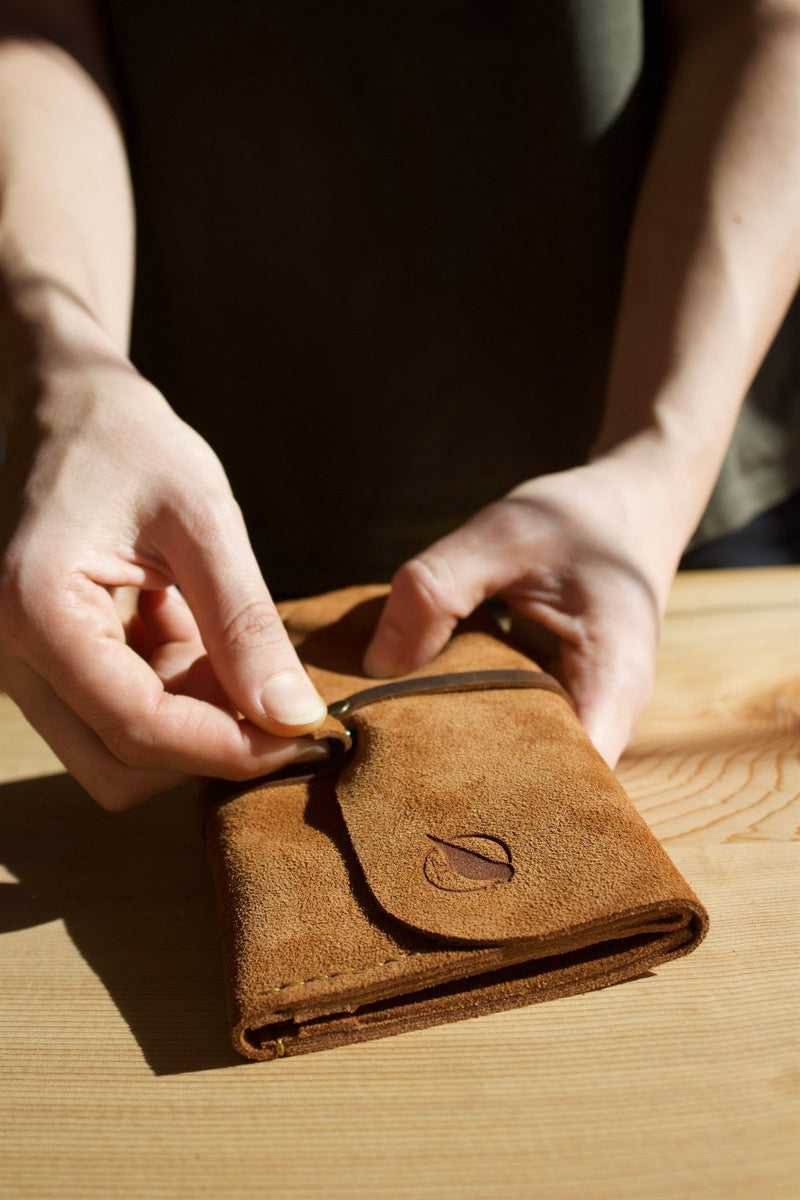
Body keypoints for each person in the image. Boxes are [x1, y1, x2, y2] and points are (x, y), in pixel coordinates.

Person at [1, 0, 799, 810]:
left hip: (664, 520)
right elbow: (33, 28)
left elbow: (773, 25)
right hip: (181, 553)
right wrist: (63, 368)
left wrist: (659, 461)